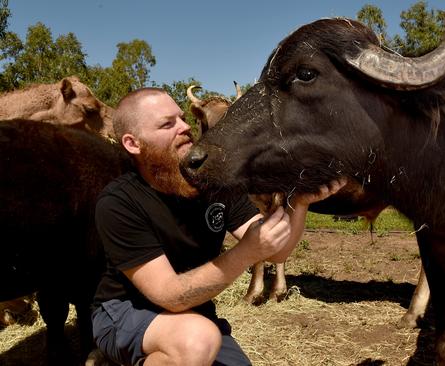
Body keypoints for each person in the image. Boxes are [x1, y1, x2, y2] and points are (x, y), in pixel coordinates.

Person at [90, 87, 345, 366]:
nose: (185, 127)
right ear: (133, 144)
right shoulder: (119, 202)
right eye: (167, 124)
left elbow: (277, 254)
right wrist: (246, 252)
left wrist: (300, 203)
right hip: (126, 312)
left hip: (196, 315)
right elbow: (168, 295)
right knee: (197, 341)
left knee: (200, 339)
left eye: (182, 118)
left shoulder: (213, 185)